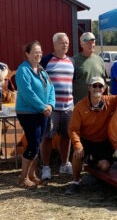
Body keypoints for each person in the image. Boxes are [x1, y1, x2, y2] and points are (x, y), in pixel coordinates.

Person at [65, 76, 117, 195]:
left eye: (100, 86)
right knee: (77, 154)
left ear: (104, 89)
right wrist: (77, 145)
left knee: (105, 167)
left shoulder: (109, 101)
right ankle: (75, 181)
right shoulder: (80, 106)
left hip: (102, 141)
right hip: (86, 139)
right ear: (89, 88)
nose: (97, 88)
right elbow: (73, 129)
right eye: (94, 86)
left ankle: (92, 162)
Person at [15, 40, 55, 189]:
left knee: (37, 143)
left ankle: (32, 175)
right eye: (35, 52)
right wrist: (42, 106)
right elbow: (27, 93)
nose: (38, 55)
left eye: (40, 52)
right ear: (27, 54)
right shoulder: (23, 70)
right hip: (28, 112)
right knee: (33, 143)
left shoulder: (42, 70)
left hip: (43, 111)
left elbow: (51, 88)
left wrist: (50, 104)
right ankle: (23, 178)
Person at [40, 33, 74, 180]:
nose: (65, 45)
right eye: (62, 42)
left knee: (67, 136)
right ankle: (46, 167)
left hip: (68, 106)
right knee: (48, 137)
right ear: (54, 44)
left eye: (66, 42)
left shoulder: (71, 61)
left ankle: (64, 164)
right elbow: (38, 81)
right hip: (52, 107)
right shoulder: (46, 60)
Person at [72, 32, 106, 105]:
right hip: (80, 105)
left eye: (92, 42)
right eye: (88, 42)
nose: (91, 44)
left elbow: (104, 82)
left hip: (98, 104)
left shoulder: (100, 60)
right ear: (81, 44)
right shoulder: (74, 61)